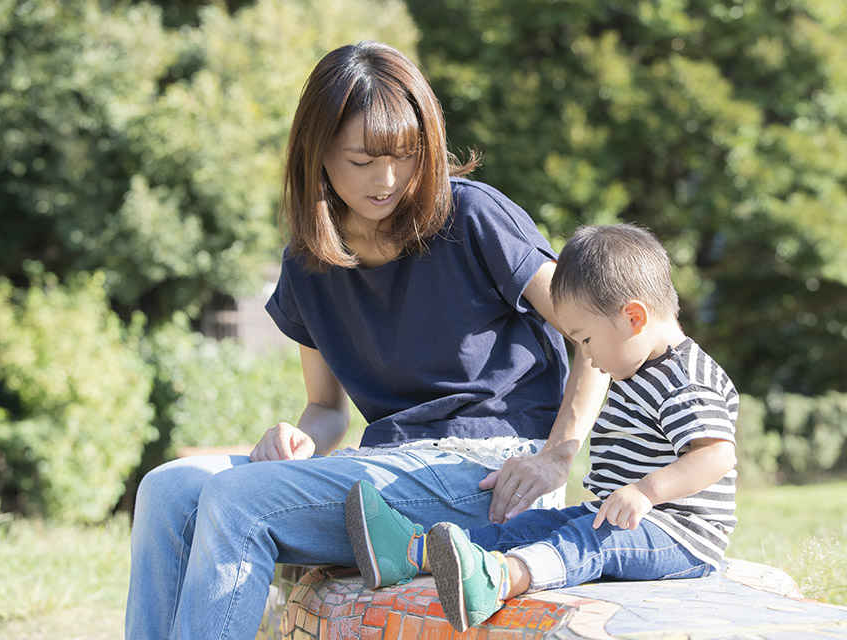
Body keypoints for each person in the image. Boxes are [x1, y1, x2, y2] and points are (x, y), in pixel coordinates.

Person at [124, 41, 608, 640]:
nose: (387, 180)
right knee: (168, 487)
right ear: (318, 153)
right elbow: (327, 411)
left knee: (238, 499)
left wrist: (558, 454)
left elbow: (596, 331)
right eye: (360, 160)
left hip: (489, 471)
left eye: (405, 156)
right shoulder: (308, 263)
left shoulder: (475, 217)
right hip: (387, 468)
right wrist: (300, 438)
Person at [346, 223, 739, 633]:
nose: (584, 355)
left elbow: (716, 454)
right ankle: (412, 553)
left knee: (586, 542)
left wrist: (646, 491)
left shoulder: (686, 381)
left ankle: (499, 579)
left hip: (680, 535)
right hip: (623, 517)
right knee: (536, 526)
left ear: (633, 317)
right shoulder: (636, 367)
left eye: (585, 340)